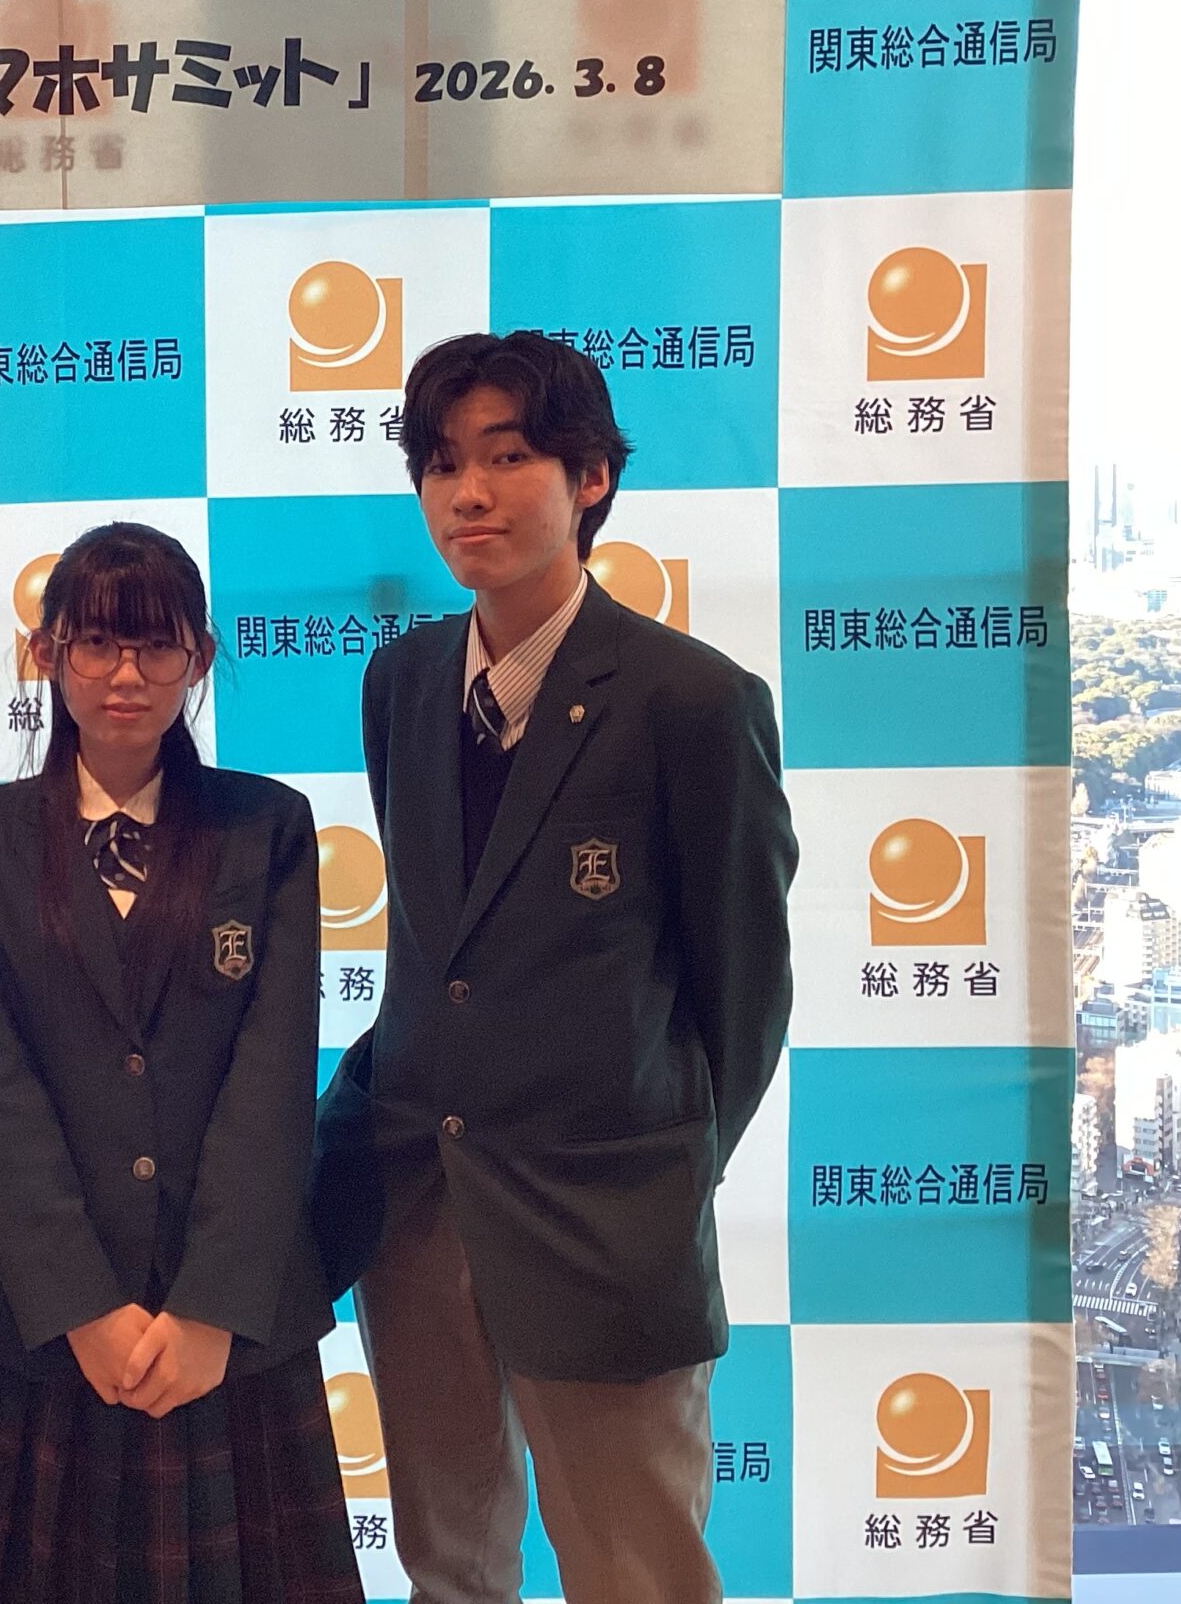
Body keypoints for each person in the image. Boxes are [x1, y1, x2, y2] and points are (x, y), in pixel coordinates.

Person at [312, 333, 797, 1604]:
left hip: (605, 1221)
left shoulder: (692, 701)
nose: (467, 494)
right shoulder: (401, 682)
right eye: (441, 464)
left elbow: (744, 992)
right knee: (448, 1564)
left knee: (635, 1570)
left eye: (507, 457)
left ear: (589, 478)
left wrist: (658, 1172)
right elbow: (441, 945)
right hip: (419, 1204)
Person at [0, 523, 363, 1604]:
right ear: (47, 654)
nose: (126, 675)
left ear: (199, 658)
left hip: (233, 1327)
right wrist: (84, 1306)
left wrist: (211, 1309)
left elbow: (273, 1082)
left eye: (158, 646)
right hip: (47, 1327)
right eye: (96, 644)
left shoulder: (267, 826)